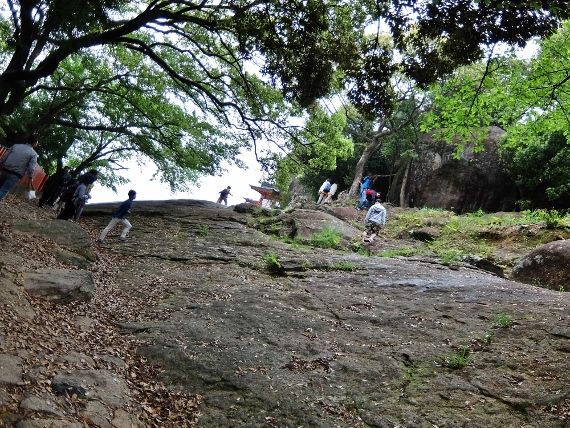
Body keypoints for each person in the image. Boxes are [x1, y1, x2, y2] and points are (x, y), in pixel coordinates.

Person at [0, 133, 39, 201]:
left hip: (4, 170)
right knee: (3, 190)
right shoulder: (33, 154)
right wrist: (30, 177)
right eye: (37, 143)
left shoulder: (15, 146)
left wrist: (1, 164)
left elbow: (4, 157)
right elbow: (31, 168)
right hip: (15, 175)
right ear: (34, 143)